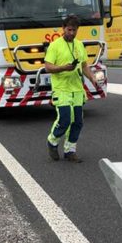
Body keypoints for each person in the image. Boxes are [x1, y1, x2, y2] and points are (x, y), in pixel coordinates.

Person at [44, 14, 99, 163]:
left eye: (74, 30)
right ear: (63, 28)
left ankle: (70, 150)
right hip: (61, 89)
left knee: (78, 122)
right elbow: (48, 67)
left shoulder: (80, 45)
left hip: (77, 90)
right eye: (69, 30)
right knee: (65, 119)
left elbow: (84, 65)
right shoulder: (55, 45)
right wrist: (63, 68)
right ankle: (52, 141)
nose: (72, 33)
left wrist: (92, 78)